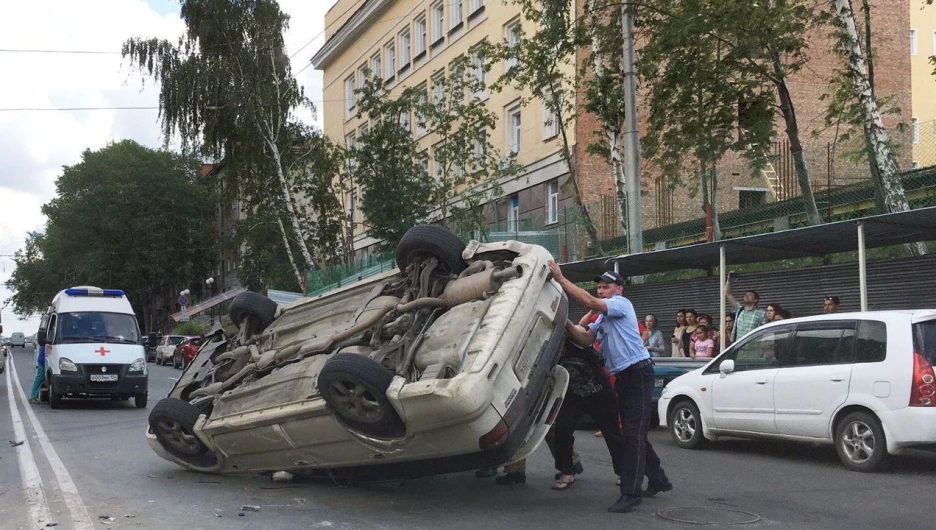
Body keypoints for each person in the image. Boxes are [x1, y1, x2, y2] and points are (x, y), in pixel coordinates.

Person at [547, 263, 672, 514]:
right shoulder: (603, 317)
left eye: (606, 287)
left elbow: (593, 303)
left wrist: (561, 279)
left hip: (638, 374)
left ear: (619, 289)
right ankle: (658, 479)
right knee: (632, 435)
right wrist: (564, 322)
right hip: (625, 378)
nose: (601, 290)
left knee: (633, 435)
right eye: (599, 287)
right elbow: (583, 338)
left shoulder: (620, 305)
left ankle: (630, 493)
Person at [551, 340, 627, 490]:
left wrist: (567, 326)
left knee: (613, 434)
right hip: (574, 395)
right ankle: (567, 471)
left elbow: (582, 332)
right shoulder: (551, 348)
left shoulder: (577, 338)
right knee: (561, 429)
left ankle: (624, 472)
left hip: (599, 393)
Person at [725, 279, 768, 343]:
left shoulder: (762, 313)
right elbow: (728, 293)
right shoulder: (739, 310)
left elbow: (765, 332)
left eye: (750, 295)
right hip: (739, 348)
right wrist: (729, 280)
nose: (747, 295)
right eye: (746, 295)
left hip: (754, 348)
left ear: (756, 300)